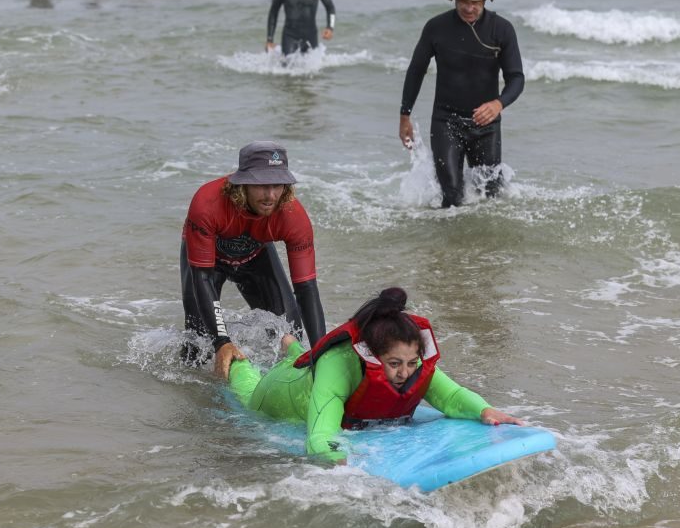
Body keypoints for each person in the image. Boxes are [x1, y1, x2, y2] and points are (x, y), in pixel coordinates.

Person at [227, 287, 524, 462]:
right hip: (280, 392)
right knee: (247, 387)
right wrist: (336, 460)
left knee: (301, 357)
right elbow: (320, 435)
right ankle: (237, 355)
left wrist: (484, 410)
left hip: (308, 376)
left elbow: (452, 396)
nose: (405, 373)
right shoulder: (339, 363)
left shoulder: (409, 360)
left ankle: (291, 345)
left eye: (411, 363)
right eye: (394, 364)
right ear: (371, 353)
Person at [181, 141, 326, 379]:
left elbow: (306, 288)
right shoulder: (207, 204)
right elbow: (203, 277)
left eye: (278, 185)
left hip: (256, 256)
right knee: (199, 343)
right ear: (243, 184)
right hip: (207, 264)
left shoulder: (292, 216)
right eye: (262, 185)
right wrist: (222, 341)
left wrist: (322, 353)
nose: (271, 196)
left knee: (290, 335)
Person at [400, 0, 525, 208]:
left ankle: (483, 245)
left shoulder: (502, 30)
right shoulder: (436, 28)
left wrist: (498, 103)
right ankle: (448, 245)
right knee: (451, 198)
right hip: (446, 121)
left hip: (486, 125)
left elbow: (517, 78)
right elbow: (416, 70)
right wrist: (404, 115)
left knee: (490, 196)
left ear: (485, 0)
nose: (469, 8)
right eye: (464, 1)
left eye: (476, 2)